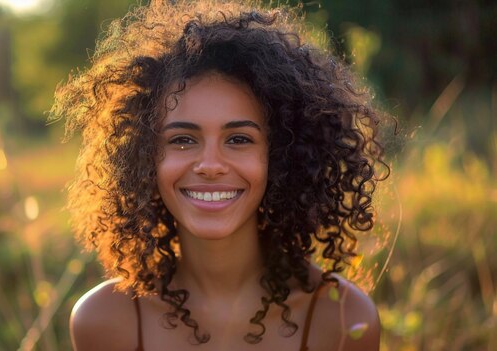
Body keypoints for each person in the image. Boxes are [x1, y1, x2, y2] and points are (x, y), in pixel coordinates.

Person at [50, 1, 390, 350]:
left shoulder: (341, 321)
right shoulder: (104, 320)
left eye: (239, 139)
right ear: (144, 158)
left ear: (281, 155)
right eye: (183, 140)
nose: (210, 165)